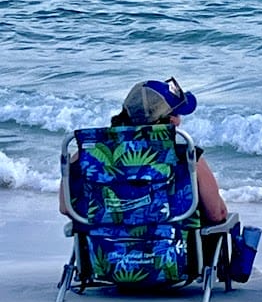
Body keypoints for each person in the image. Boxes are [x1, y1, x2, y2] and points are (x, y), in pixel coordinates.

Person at [59, 77, 228, 225]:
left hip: (103, 250)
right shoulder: (188, 157)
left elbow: (66, 208)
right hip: (172, 249)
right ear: (171, 121)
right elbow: (217, 214)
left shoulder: (88, 156)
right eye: (177, 114)